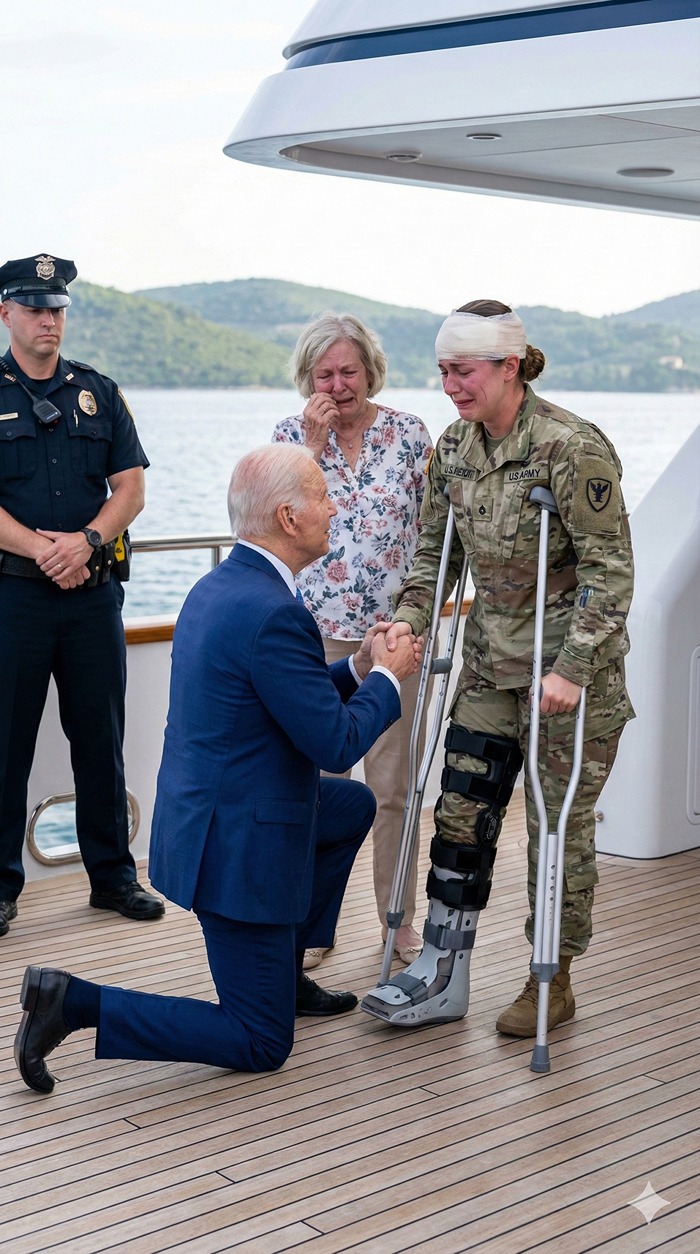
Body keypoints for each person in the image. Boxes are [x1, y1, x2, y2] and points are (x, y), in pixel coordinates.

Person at [14, 443, 420, 1094]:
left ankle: (284, 971)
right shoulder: (275, 611)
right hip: (236, 851)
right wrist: (392, 680)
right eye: (322, 496)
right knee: (261, 1040)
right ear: (288, 517)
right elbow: (336, 744)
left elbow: (287, 693)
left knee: (349, 807)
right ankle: (73, 1003)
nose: (333, 508)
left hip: (207, 819)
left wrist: (358, 668)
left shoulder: (222, 588)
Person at [362, 300, 634, 1036]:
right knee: (460, 812)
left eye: (464, 371)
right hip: (487, 668)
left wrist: (572, 668)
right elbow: (434, 554)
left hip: (566, 677)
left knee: (554, 829)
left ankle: (554, 976)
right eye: (443, 371)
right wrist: (412, 617)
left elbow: (610, 573)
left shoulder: (570, 448)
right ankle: (442, 971)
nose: (450, 385)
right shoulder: (454, 448)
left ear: (510, 366)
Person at [0, 253, 163, 936]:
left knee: (101, 739)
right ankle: (1, 888)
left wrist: (87, 542)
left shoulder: (99, 392)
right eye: (36, 307)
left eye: (58, 308)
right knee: (5, 744)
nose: (49, 319)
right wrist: (46, 550)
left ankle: (113, 878)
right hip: (15, 598)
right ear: (6, 313)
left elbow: (131, 487)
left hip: (92, 597)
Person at [273, 313, 433, 968]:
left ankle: (398, 920)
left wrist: (417, 620)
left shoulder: (409, 434)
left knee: (393, 788)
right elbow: (277, 521)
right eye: (325, 375)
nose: (338, 386)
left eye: (349, 371)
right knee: (317, 787)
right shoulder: (289, 439)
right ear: (306, 378)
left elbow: (433, 533)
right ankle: (314, 924)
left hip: (393, 636)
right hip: (313, 639)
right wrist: (310, 449)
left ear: (370, 371)